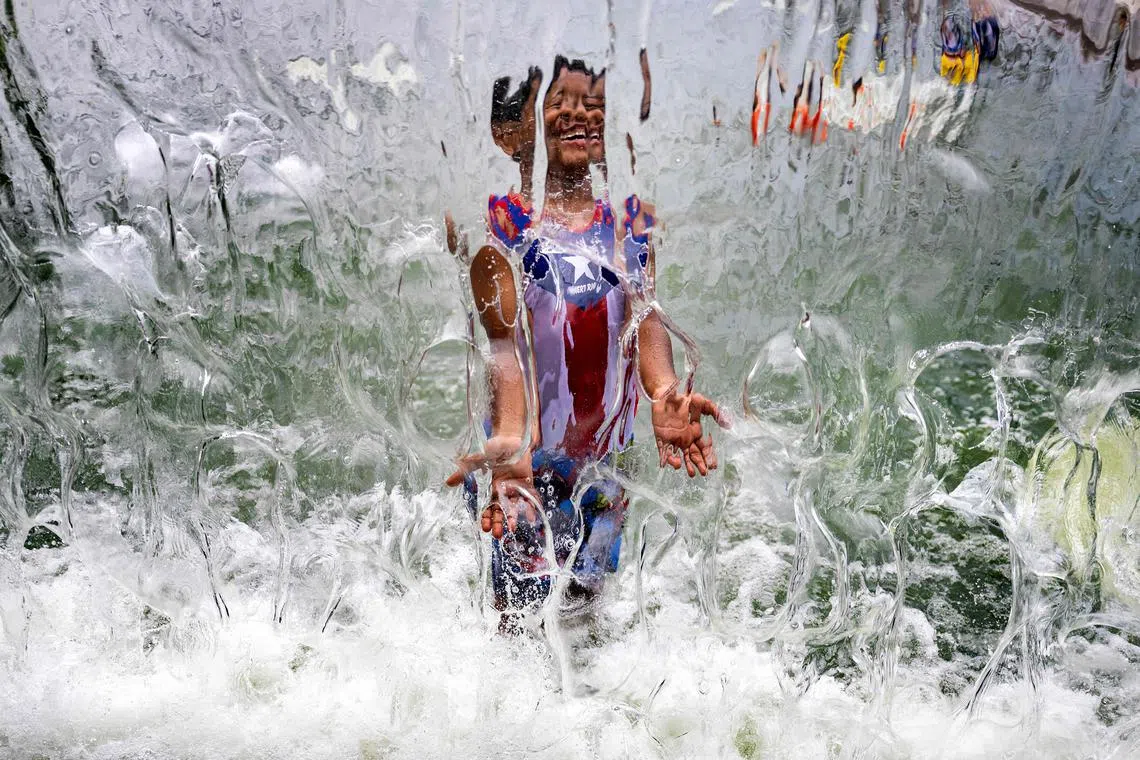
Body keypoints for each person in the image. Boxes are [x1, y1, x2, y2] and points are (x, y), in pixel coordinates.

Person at [445, 56, 726, 630]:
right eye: (560, 102)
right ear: (524, 125)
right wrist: (510, 440)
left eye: (592, 103)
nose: (578, 113)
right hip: (521, 460)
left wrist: (666, 390)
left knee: (586, 619)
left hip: (604, 470)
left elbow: (645, 325)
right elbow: (506, 347)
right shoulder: (506, 221)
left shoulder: (632, 221)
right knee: (517, 625)